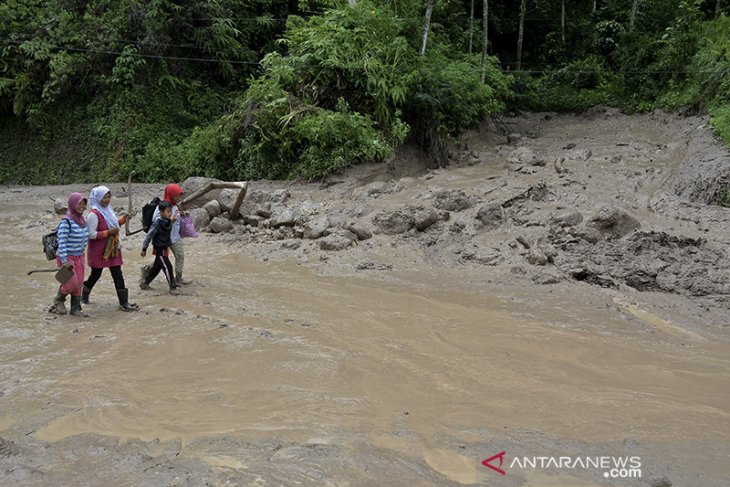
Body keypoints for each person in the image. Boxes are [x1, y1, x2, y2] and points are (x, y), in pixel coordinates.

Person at [82, 186, 138, 311]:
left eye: (108, 197)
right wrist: (108, 232)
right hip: (98, 250)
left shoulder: (108, 210)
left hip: (112, 248)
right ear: (97, 198)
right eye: (104, 197)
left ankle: (124, 302)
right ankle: (84, 294)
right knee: (96, 274)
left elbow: (113, 224)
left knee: (117, 274)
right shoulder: (93, 214)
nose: (107, 200)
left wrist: (123, 219)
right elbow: (90, 234)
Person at [50, 192, 89, 316]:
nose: (82, 206)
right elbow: (62, 242)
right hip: (67, 256)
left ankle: (75, 308)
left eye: (84, 204)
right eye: (79, 204)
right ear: (72, 204)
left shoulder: (82, 221)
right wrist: (64, 260)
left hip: (79, 256)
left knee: (79, 283)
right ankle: (59, 299)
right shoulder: (66, 222)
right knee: (71, 282)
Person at [151, 184, 191, 285]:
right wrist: (169, 219)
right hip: (164, 238)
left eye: (179, 195)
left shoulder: (174, 205)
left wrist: (181, 214)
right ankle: (147, 277)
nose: (179, 197)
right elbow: (155, 219)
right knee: (160, 262)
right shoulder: (162, 206)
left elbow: (175, 215)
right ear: (171, 194)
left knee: (180, 256)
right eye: (177, 195)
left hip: (175, 236)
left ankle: (178, 278)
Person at [140, 201, 178, 295]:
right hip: (159, 249)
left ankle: (145, 283)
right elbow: (148, 236)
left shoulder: (167, 221)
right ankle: (172, 287)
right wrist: (144, 249)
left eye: (170, 211)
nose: (170, 213)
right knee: (168, 267)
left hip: (164, 247)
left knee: (156, 268)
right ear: (161, 212)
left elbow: (169, 222)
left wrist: (172, 219)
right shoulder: (156, 224)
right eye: (168, 212)